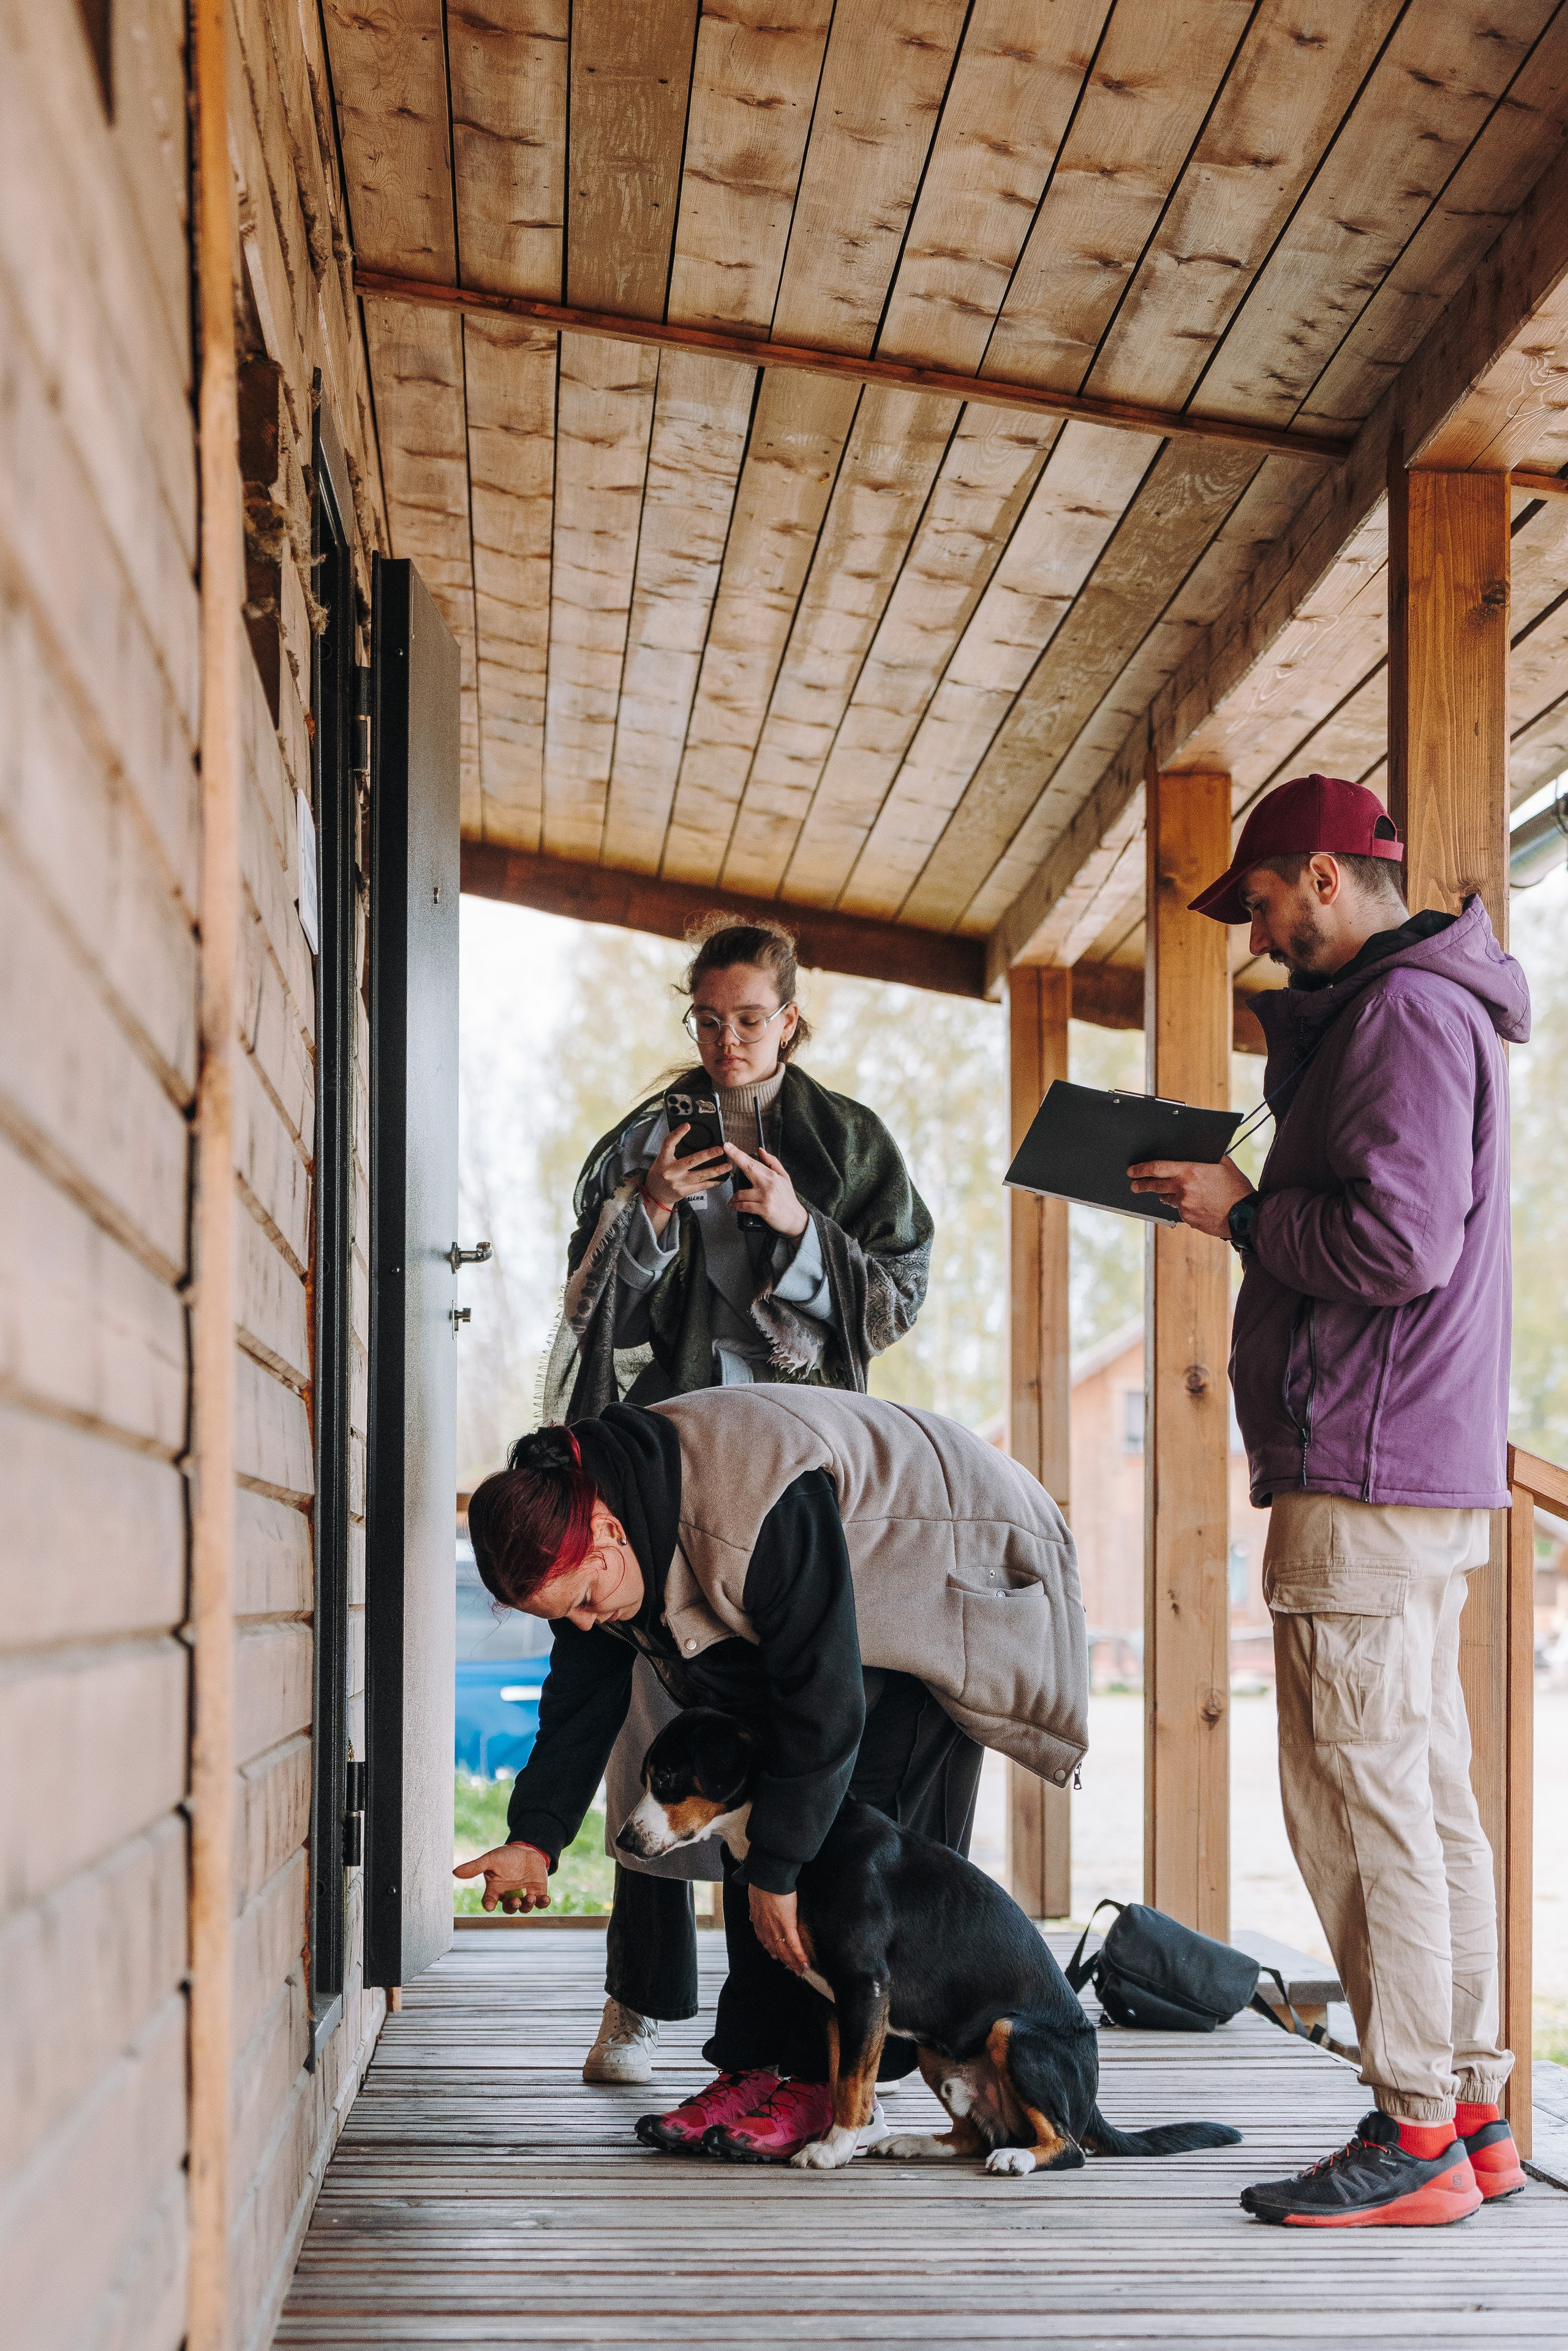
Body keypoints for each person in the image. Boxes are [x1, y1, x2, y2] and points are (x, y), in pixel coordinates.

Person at [1127, 771, 1531, 2228]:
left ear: (1319, 872)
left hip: (1361, 1462)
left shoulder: (1402, 1013)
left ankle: (1412, 2130)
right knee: (1421, 1798)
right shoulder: (1422, 1005)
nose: (1253, 933)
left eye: (1257, 901)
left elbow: (1395, 1247)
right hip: (1411, 1462)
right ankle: (1468, 2112)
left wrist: (1237, 1209)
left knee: (1360, 1806)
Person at [453, 1384, 1086, 2162]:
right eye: (566, 1615)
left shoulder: (751, 1508)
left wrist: (780, 1864)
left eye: (585, 1598)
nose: (585, 1622)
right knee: (753, 1828)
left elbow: (825, 1705)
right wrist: (535, 1837)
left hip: (948, 1565)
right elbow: (580, 1701)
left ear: (609, 1530)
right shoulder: (590, 1534)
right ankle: (754, 2066)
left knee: (845, 1862)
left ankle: (831, 2092)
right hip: (832, 1599)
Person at [538, 916, 933, 2086]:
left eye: (749, 1018)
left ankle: (798, 2019)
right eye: (706, 1019)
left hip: (801, 1472)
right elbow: (586, 1305)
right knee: (647, 1728)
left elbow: (901, 1293)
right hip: (668, 1462)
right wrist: (650, 1211)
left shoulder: (850, 1141)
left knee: (801, 1716)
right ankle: (639, 1998)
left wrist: (802, 1230)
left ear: (790, 1018)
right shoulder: (642, 1137)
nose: (726, 1040)